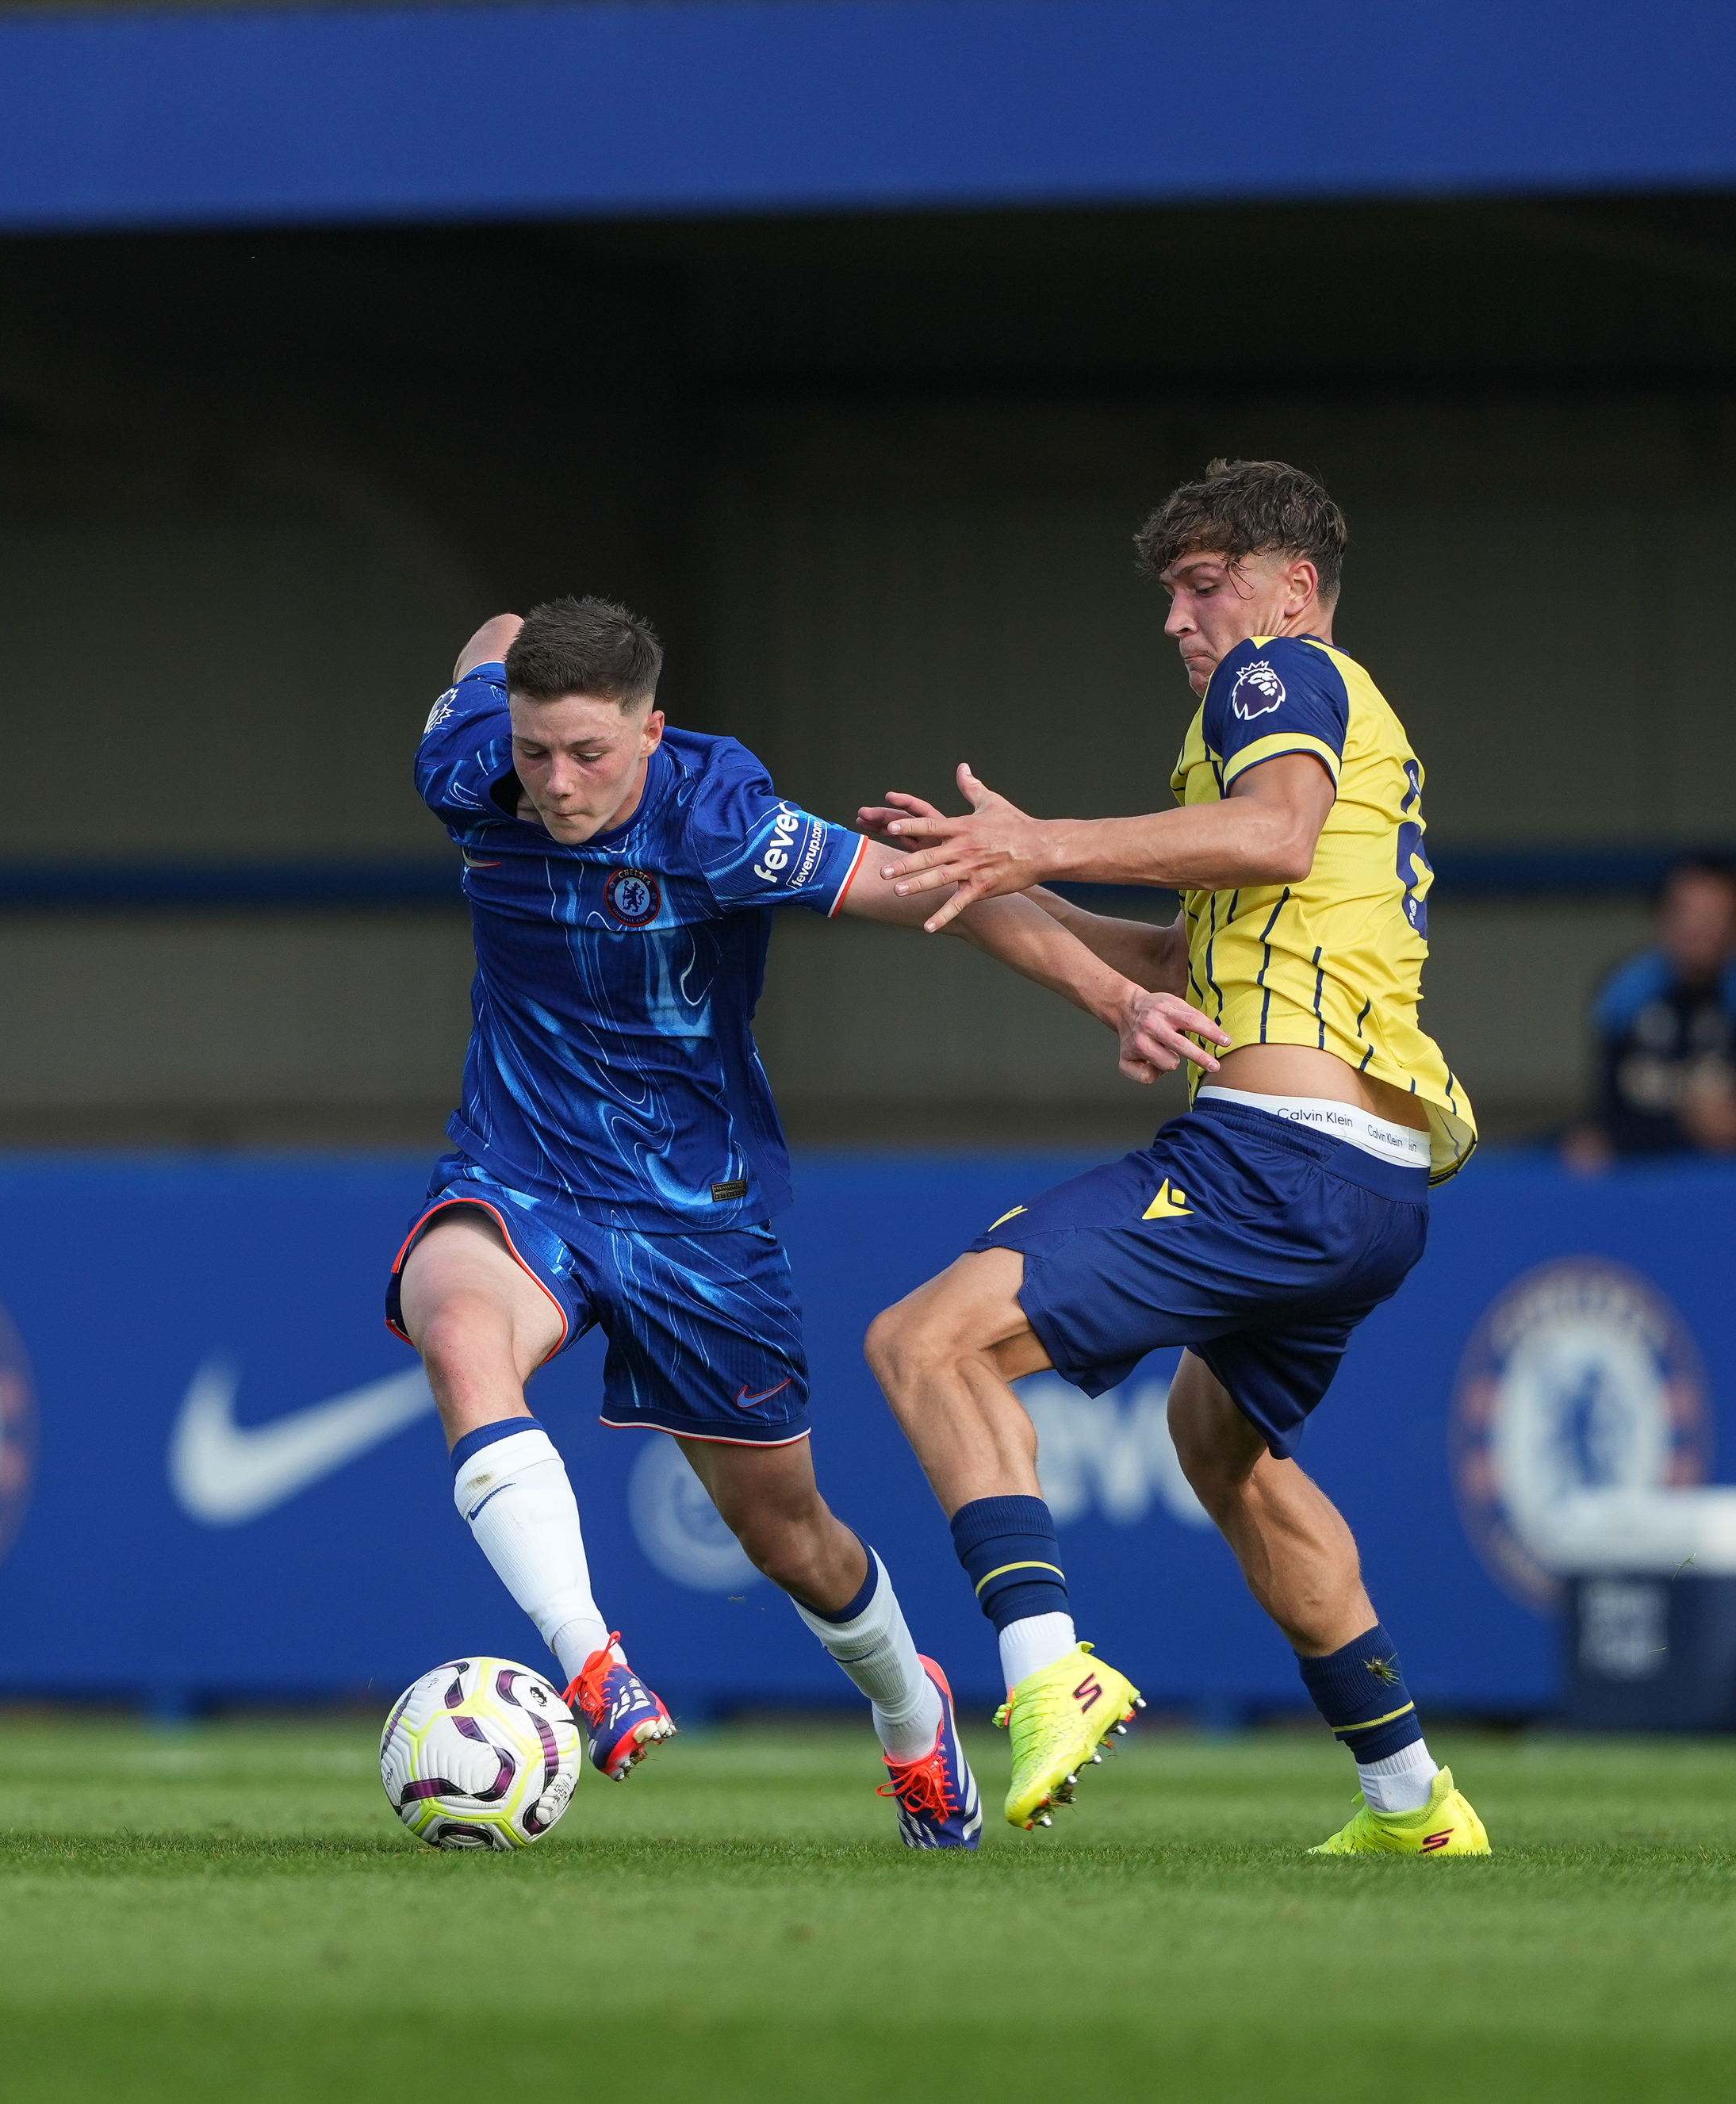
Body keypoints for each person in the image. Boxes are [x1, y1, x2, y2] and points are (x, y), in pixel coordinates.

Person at [389, 596, 1218, 1851]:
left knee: (788, 1536)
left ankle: (909, 1713)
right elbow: (494, 631)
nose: (555, 783)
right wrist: (499, 668)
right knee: (457, 1325)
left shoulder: (720, 819)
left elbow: (944, 889)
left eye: (590, 754)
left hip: (696, 1220)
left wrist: (1112, 996)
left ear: (653, 734)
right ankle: (590, 1661)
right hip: (520, 1170)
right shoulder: (469, 763)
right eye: (535, 748)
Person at [855, 458, 1490, 1857]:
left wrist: (1040, 839)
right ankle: (1412, 1800)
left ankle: (1044, 1667)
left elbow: (1275, 834)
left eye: (1204, 585)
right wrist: (981, 886)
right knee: (1223, 1447)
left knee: (922, 1343)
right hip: (1369, 1178)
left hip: (1279, 1151)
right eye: (1174, 593)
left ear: (1291, 588)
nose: (1181, 621)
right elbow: (1166, 955)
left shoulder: (1278, 677)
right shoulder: (1288, 739)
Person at [1563, 855, 1736, 1171]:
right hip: (1644, 1180)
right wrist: (1685, 1123)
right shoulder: (1625, 992)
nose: (1698, 928)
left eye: (1715, 916)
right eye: (1686, 912)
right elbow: (1607, 1115)